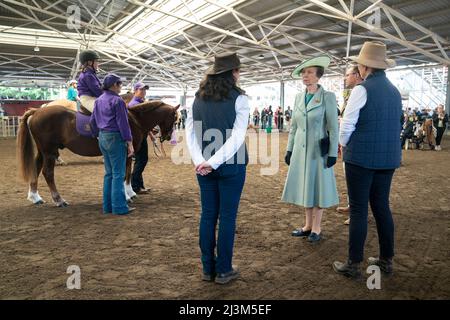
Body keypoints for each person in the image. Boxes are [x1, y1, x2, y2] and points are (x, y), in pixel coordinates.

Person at [333, 41, 402, 278]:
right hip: (388, 159)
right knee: (382, 207)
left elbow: (347, 124)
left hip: (360, 159)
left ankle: (353, 263)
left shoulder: (361, 90)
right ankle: (386, 259)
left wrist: (343, 144)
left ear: (364, 67)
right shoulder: (394, 91)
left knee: (359, 210)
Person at [185, 52, 249, 284]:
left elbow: (190, 133)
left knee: (208, 215)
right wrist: (212, 162)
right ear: (232, 73)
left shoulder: (197, 98)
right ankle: (223, 270)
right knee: (227, 217)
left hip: (203, 166)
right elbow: (237, 137)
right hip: (231, 165)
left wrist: (200, 161)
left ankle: (207, 269)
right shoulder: (240, 99)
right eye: (238, 70)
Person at [281, 55, 339, 243]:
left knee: (318, 188)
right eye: (303, 73)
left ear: (318, 76)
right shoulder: (298, 97)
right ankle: (307, 225)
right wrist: (290, 149)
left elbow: (332, 127)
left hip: (318, 152)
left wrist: (332, 153)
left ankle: (317, 227)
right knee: (305, 187)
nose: (305, 76)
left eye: (309, 72)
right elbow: (295, 127)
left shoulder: (328, 97)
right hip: (300, 151)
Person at [90, 74, 135, 215]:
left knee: (109, 174)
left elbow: (92, 121)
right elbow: (123, 123)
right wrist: (129, 142)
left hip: (102, 136)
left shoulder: (98, 100)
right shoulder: (118, 101)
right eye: (120, 84)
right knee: (118, 174)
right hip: (115, 138)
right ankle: (119, 207)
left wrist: (96, 135)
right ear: (114, 85)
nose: (121, 87)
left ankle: (107, 206)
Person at [337, 65, 363, 225]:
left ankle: (356, 212)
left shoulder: (359, 92)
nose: (345, 78)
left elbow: (351, 121)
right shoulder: (353, 93)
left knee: (356, 180)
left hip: (354, 143)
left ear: (357, 74)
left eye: (348, 75)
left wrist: (343, 141)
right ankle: (351, 205)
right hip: (350, 143)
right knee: (349, 177)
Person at [128, 82, 151, 194]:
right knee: (141, 160)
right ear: (135, 91)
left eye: (144, 90)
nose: (143, 92)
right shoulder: (134, 104)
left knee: (141, 160)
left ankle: (139, 185)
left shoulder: (140, 103)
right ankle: (135, 185)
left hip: (141, 135)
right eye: (141, 90)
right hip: (137, 137)